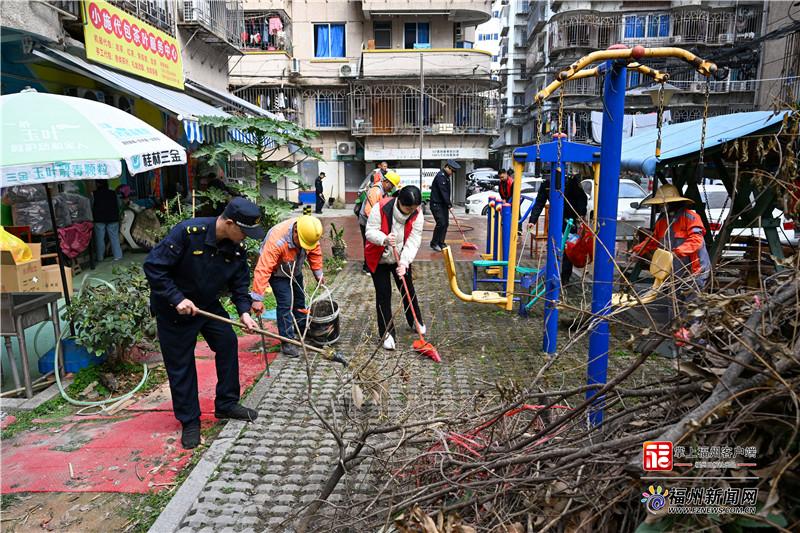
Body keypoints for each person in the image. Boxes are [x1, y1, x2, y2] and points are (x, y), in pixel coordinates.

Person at [143, 197, 263, 450]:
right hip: (174, 309)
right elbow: (154, 267)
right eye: (244, 231)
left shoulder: (236, 247)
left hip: (206, 305)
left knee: (228, 342)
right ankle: (190, 420)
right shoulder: (187, 233)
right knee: (181, 364)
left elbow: (239, 283)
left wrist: (244, 312)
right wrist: (177, 298)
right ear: (229, 223)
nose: (246, 237)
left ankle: (227, 404)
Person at [251, 215, 324, 357]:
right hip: (278, 274)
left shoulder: (309, 231)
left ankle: (301, 328)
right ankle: (287, 341)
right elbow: (264, 268)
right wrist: (257, 298)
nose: (304, 246)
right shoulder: (277, 240)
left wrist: (318, 273)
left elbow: (315, 252)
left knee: (300, 300)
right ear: (295, 232)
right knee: (286, 303)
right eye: (302, 243)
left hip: (294, 270)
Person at [365, 185, 425, 350]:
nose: (411, 211)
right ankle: (387, 334)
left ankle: (415, 321)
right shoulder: (382, 208)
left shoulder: (418, 214)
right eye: (408, 208)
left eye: (414, 208)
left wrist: (405, 263)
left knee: (408, 289)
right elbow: (369, 232)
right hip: (379, 257)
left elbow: (414, 240)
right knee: (384, 295)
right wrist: (383, 238)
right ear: (399, 201)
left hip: (401, 257)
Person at [631, 184, 710, 289]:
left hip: (694, 271)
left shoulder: (691, 218)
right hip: (673, 272)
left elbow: (696, 241)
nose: (661, 207)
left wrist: (676, 252)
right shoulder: (663, 222)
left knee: (691, 302)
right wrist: (638, 251)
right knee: (673, 301)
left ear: (673, 203)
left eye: (663, 204)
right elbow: (653, 241)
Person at [526, 173, 588, 285]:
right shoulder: (546, 185)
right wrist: (532, 220)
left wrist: (580, 214)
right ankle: (552, 273)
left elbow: (582, 198)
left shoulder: (570, 181)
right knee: (553, 246)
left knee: (569, 248)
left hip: (570, 219)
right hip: (555, 219)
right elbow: (539, 202)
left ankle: (565, 278)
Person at [358, 171, 401, 274]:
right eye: (392, 186)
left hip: (374, 222)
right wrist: (378, 223)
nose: (392, 188)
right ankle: (367, 267)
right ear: (386, 182)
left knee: (376, 243)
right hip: (367, 222)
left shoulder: (383, 191)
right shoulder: (376, 191)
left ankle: (374, 264)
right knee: (369, 244)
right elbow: (368, 211)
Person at [429, 159, 459, 251]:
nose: (452, 173)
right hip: (436, 204)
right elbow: (444, 192)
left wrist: (447, 205)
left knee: (445, 224)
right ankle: (434, 243)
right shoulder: (440, 176)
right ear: (447, 167)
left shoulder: (446, 176)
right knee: (441, 223)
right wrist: (449, 205)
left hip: (442, 205)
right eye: (452, 171)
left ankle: (441, 242)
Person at [92, 180, 123, 262]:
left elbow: (91, 205)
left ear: (97, 184)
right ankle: (118, 256)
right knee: (114, 238)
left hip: (99, 218)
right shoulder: (113, 193)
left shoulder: (94, 194)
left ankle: (100, 258)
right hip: (113, 218)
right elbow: (119, 204)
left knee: (99, 239)